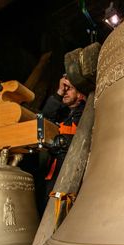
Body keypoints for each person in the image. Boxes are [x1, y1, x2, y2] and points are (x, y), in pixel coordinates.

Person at [39, 75, 87, 208]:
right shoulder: (59, 112)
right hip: (52, 175)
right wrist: (58, 93)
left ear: (80, 94)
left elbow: (86, 136)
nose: (65, 91)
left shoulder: (86, 113)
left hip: (73, 174)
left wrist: (65, 140)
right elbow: (42, 121)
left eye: (69, 88)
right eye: (63, 88)